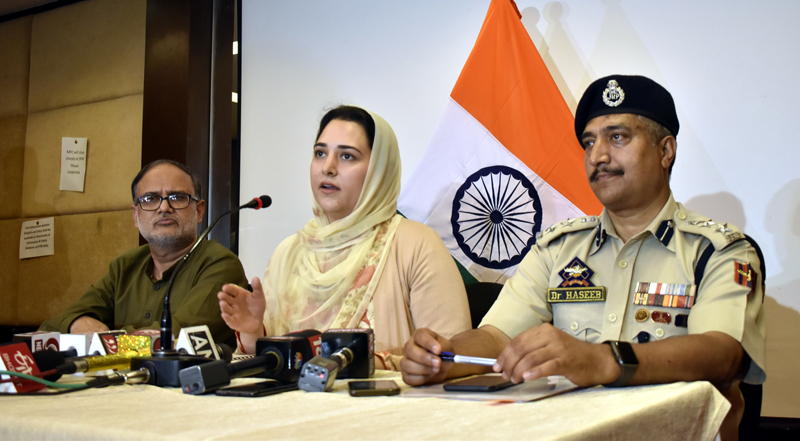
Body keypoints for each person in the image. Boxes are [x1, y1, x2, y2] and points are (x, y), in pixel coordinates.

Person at [401, 76, 765, 438]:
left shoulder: (720, 251)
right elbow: (498, 336)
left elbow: (723, 353)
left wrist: (604, 360)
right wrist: (447, 357)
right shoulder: (558, 248)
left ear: (665, 150)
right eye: (589, 142)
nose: (598, 156)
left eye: (617, 137)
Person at [217, 105, 471, 370]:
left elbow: (450, 358)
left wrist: (357, 363)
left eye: (347, 156)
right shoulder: (288, 253)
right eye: (320, 153)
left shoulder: (416, 245)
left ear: (378, 170)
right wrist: (251, 330)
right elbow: (269, 368)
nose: (328, 167)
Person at [40, 159, 248, 347]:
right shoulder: (124, 266)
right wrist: (76, 322)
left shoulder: (220, 264)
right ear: (135, 216)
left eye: (177, 198)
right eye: (150, 199)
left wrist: (103, 337)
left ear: (199, 211)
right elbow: (52, 326)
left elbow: (174, 339)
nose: (164, 207)